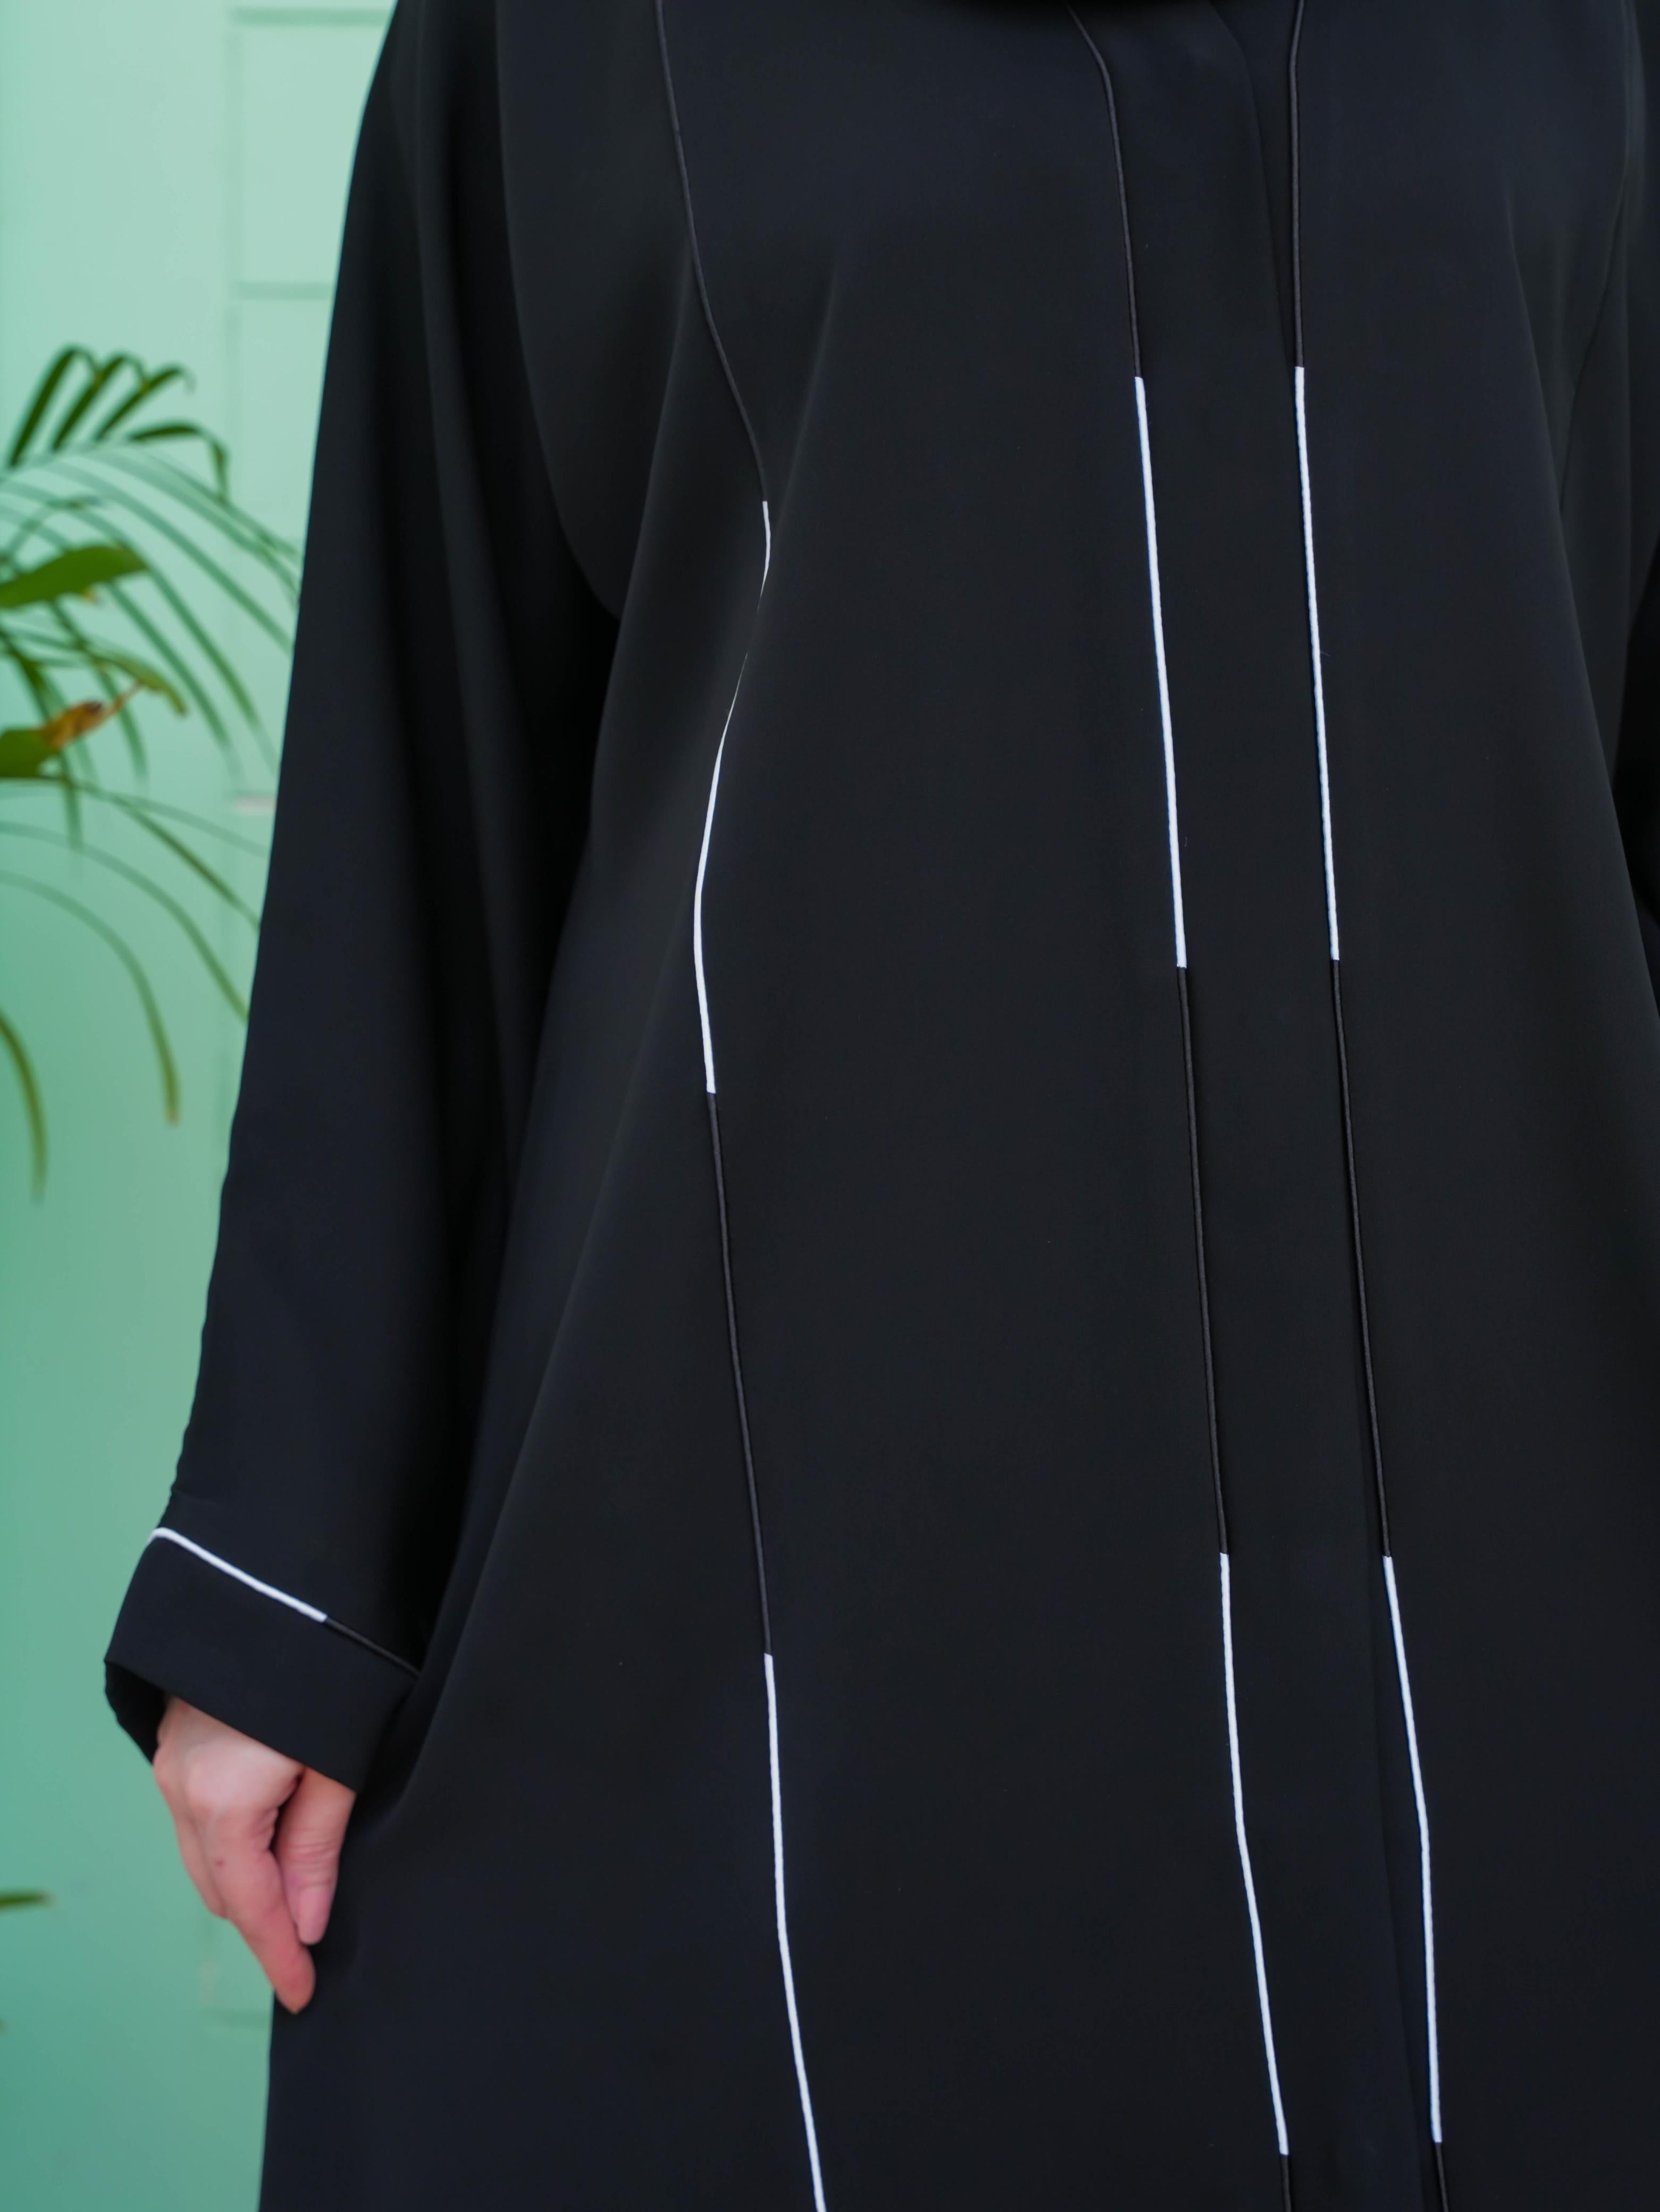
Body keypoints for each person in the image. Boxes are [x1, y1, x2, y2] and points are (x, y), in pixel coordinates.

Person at [105, 0, 1660, 2206]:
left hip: (1515, 1511)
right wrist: (288, 1579)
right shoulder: (567, 38)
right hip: (786, 1505)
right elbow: (426, 750)